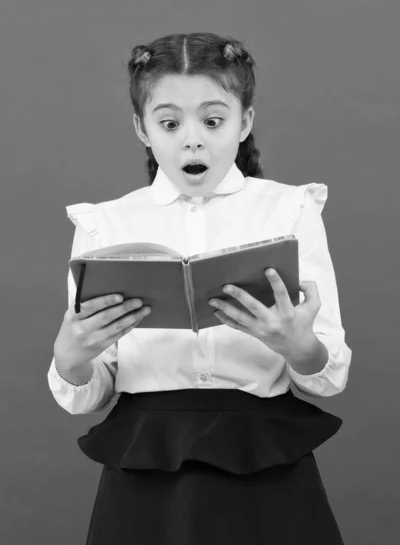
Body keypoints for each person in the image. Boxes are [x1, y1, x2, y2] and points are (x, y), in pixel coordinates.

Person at [47, 31, 352, 544]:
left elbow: (328, 374)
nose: (193, 139)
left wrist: (296, 345)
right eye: (169, 122)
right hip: (146, 463)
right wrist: (70, 357)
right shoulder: (105, 225)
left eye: (213, 121)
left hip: (265, 456)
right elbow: (89, 390)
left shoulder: (290, 210)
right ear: (143, 130)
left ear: (245, 122)